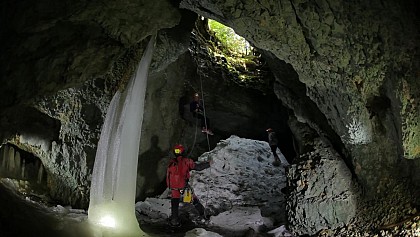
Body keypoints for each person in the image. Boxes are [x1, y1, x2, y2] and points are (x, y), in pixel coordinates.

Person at [166, 144, 211, 227]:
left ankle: (174, 221)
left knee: (174, 203)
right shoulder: (187, 161)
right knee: (194, 200)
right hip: (184, 186)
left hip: (174, 187)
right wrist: (208, 164)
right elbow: (198, 167)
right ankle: (204, 215)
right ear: (183, 151)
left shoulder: (171, 162)